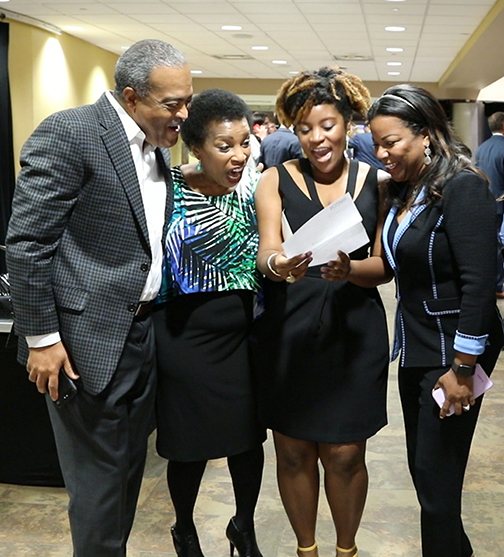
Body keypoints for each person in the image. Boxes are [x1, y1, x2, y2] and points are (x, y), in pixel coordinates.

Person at [5, 40, 193, 556]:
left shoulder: (158, 146)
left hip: (141, 336)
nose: (184, 114)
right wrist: (42, 338)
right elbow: (27, 244)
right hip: (81, 344)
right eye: (172, 103)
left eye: (187, 100)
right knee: (98, 488)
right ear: (132, 96)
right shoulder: (72, 133)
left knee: (128, 475)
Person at [251, 67, 391, 557]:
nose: (316, 138)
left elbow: (384, 265)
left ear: (348, 124)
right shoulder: (274, 179)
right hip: (290, 328)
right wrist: (281, 264)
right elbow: (267, 254)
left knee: (346, 452)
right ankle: (305, 549)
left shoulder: (380, 181)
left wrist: (350, 270)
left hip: (355, 330)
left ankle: (345, 550)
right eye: (304, 128)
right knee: (292, 451)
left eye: (326, 125)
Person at [368, 84, 504, 557]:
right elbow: (393, 264)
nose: (382, 153)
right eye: (377, 143)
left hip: (453, 354)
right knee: (430, 478)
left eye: (391, 142)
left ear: (425, 134)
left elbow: (480, 285)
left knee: (436, 483)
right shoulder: (409, 189)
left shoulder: (463, 187)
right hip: (418, 348)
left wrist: (464, 368)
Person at [153, 88, 266, 557]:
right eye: (225, 145)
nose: (238, 155)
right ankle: (184, 529)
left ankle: (243, 525)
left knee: (247, 439)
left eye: (244, 142)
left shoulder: (257, 188)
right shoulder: (166, 188)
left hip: (244, 331)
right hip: (184, 332)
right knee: (189, 443)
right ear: (195, 145)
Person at [475, 111, 504, 297]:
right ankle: (499, 285)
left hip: (484, 202)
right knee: (498, 246)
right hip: (501, 204)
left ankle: (493, 283)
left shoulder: (481, 147)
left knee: (490, 245)